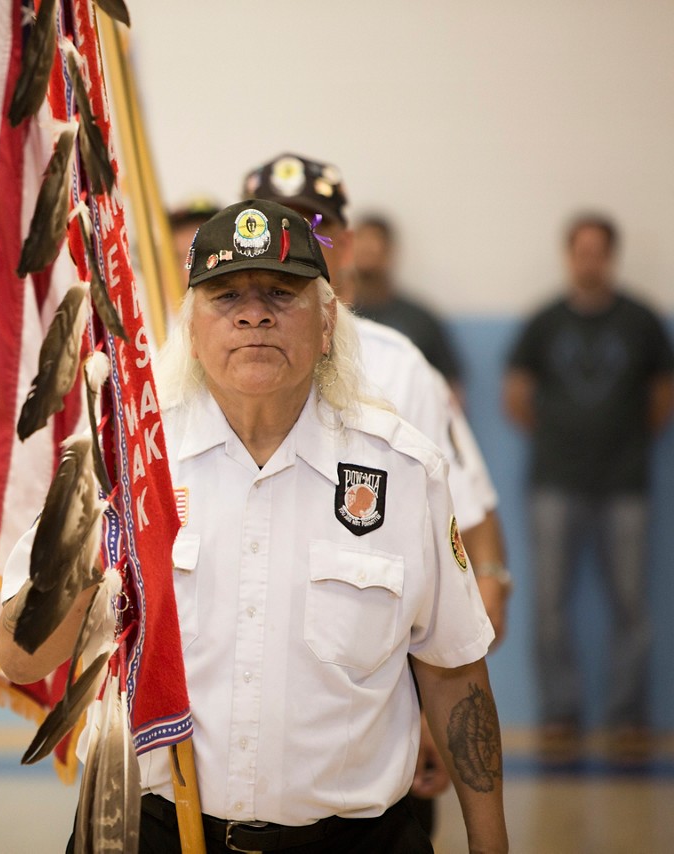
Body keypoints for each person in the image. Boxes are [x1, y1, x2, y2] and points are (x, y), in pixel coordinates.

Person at [0, 200, 507, 854]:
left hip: (355, 841)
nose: (253, 313)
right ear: (191, 325)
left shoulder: (405, 472)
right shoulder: (122, 458)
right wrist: (91, 551)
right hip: (154, 829)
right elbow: (21, 658)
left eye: (280, 293)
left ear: (328, 322)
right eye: (226, 295)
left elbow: (454, 672)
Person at [242, 152, 513, 836]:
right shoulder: (205, 367)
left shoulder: (399, 370)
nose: (301, 245)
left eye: (318, 229)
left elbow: (469, 526)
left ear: (350, 244)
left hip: (379, 745)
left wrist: (433, 712)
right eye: (280, 228)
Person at [503, 213, 674, 760]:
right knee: (549, 604)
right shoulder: (545, 322)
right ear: (569, 256)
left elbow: (662, 394)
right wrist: (561, 439)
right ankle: (560, 715)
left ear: (611, 257)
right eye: (581, 251)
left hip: (626, 483)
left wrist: (622, 441)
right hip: (554, 481)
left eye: (599, 251)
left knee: (631, 604)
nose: (590, 260)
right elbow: (516, 393)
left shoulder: (642, 321)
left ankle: (628, 718)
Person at [350, 214, 464, 391]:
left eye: (375, 242)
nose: (367, 249)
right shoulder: (333, 314)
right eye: (361, 240)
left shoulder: (421, 320)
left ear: (390, 252)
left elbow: (451, 390)